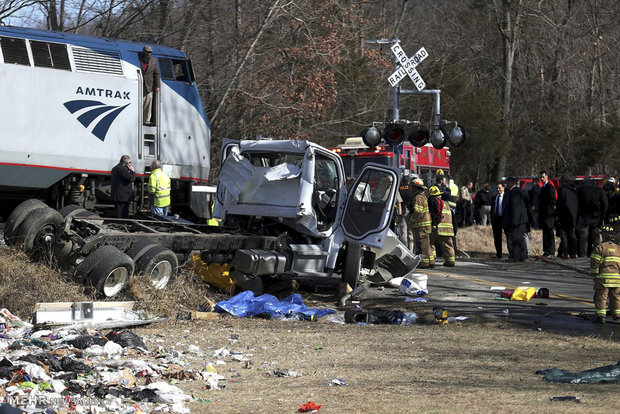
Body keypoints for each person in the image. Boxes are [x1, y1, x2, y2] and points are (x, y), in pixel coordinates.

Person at [589, 225, 620, 324]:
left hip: (603, 279)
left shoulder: (600, 248)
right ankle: (617, 315)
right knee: (616, 298)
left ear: (603, 235)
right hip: (616, 280)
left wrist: (594, 275)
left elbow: (595, 263)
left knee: (601, 297)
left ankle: (600, 316)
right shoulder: (618, 248)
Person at [577, 176, 608, 257]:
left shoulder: (580, 190)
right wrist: (603, 215)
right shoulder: (598, 190)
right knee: (596, 238)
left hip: (584, 217)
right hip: (596, 217)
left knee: (583, 239)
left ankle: (583, 255)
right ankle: (598, 255)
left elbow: (576, 204)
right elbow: (605, 203)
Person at [502, 177, 530, 262]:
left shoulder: (513, 193)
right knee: (520, 238)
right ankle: (522, 256)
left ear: (511, 183)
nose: (506, 185)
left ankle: (516, 257)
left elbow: (514, 207)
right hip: (522, 218)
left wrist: (512, 220)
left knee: (516, 239)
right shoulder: (521, 191)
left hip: (516, 219)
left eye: (507, 183)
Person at [428, 185, 455, 267]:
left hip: (438, 227)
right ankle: (450, 261)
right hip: (449, 229)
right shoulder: (446, 204)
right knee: (448, 245)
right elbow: (453, 218)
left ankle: (431, 261)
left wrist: (433, 225)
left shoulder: (433, 202)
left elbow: (434, 214)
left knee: (430, 243)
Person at [410, 178, 434, 268]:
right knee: (427, 244)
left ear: (415, 187)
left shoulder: (417, 197)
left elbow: (417, 212)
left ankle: (424, 263)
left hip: (421, 225)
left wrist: (411, 220)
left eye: (412, 187)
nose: (411, 189)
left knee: (422, 244)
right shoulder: (423, 196)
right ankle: (431, 261)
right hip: (426, 224)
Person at [556, 176, 578, 259]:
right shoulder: (573, 190)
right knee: (572, 234)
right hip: (573, 215)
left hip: (564, 215)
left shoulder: (562, 190)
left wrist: (557, 214)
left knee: (564, 234)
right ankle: (574, 252)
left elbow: (560, 203)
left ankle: (566, 253)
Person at [139, 45, 161, 125]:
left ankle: (146, 120)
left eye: (150, 52)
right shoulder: (138, 58)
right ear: (144, 52)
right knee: (140, 102)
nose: (149, 54)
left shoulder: (154, 61)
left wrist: (157, 86)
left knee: (148, 102)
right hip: (139, 84)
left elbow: (156, 74)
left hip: (149, 85)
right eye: (147, 52)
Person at [538, 170, 557, 257]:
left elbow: (553, 200)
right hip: (543, 214)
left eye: (543, 177)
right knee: (545, 233)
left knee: (549, 233)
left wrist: (548, 209)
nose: (542, 179)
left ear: (547, 177)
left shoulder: (550, 187)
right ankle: (546, 250)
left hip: (548, 214)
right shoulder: (543, 187)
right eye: (541, 177)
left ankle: (551, 251)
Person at [491, 182, 509, 259]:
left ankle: (511, 253)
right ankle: (499, 254)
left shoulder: (506, 197)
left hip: (504, 219)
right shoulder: (495, 197)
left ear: (503, 188)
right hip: (496, 219)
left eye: (500, 188)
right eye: (497, 188)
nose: (498, 190)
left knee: (508, 236)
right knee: (497, 237)